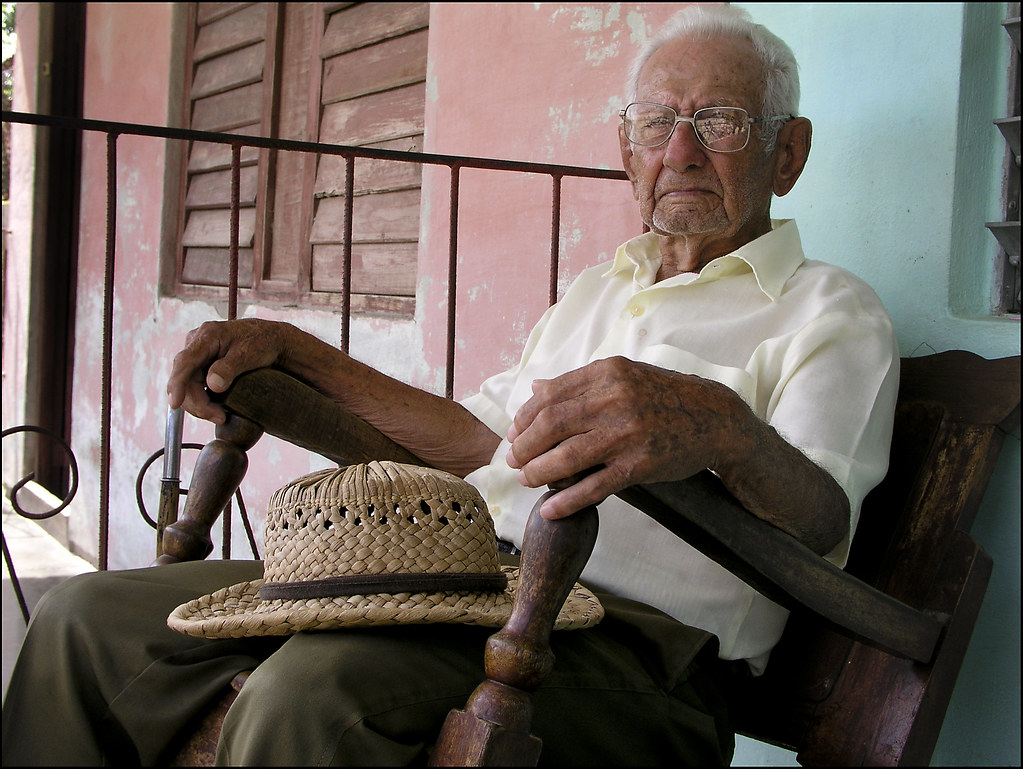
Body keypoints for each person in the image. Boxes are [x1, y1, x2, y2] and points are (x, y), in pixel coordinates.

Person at [2, 5, 898, 766]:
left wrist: (722, 428)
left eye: (721, 121)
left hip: (644, 656)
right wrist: (302, 355)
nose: (683, 150)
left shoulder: (829, 312)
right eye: (657, 122)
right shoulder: (599, 288)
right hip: (462, 592)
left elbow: (822, 530)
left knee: (315, 696)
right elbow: (478, 441)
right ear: (627, 150)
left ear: (787, 153)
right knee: (85, 619)